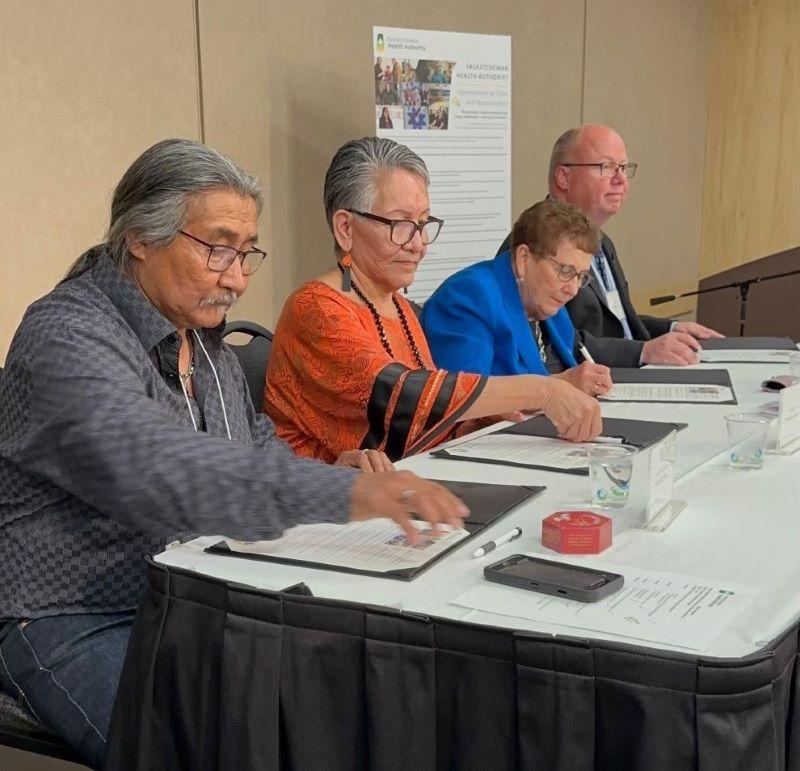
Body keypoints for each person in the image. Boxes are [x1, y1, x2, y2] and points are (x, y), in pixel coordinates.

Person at [0, 138, 468, 768]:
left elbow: (255, 447)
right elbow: (155, 466)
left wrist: (324, 471)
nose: (239, 277)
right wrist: (343, 494)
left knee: (329, 708)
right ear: (140, 236)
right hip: (74, 613)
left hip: (193, 593)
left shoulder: (204, 340)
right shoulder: (67, 333)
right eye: (219, 248)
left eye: (247, 253)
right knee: (200, 751)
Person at [263, 137, 601, 465]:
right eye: (401, 225)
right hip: (326, 506)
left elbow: (423, 422)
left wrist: (481, 418)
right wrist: (539, 391)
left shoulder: (397, 307)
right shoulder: (315, 307)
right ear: (346, 228)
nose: (419, 244)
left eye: (423, 224)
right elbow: (402, 395)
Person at [498, 124, 723, 367]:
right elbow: (552, 345)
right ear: (564, 177)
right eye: (606, 167)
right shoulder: (532, 244)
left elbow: (618, 324)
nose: (620, 180)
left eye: (624, 168)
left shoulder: (601, 240)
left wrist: (672, 328)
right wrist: (642, 352)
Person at [422, 200, 613, 397]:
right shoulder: (468, 297)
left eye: (581, 276)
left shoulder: (548, 306)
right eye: (565, 271)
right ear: (523, 259)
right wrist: (561, 385)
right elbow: (466, 397)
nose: (573, 290)